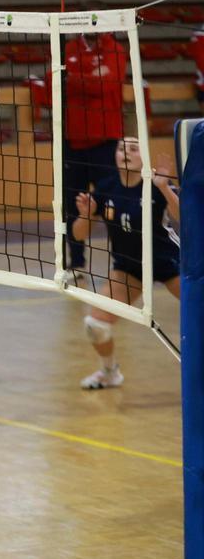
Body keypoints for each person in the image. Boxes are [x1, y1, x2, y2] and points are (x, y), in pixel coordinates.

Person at [71, 137, 181, 389]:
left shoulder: (155, 185)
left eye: (133, 148)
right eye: (121, 149)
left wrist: (165, 188)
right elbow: (78, 234)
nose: (126, 153)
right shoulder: (106, 187)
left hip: (170, 263)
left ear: (144, 156)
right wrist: (86, 215)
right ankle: (109, 372)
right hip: (129, 268)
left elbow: (184, 216)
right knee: (95, 324)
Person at [59, 26, 127, 277]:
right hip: (73, 141)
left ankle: (122, 262)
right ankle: (76, 263)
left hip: (105, 143)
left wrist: (74, 77)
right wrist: (91, 76)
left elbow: (105, 86)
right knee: (72, 206)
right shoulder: (68, 48)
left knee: (112, 205)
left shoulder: (116, 50)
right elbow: (55, 82)